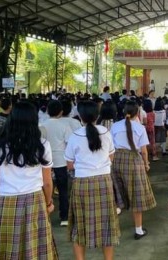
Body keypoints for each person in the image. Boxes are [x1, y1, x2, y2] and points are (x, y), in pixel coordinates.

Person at [0, 102, 57, 259]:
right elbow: (47, 182)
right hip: (35, 199)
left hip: (5, 199)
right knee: (35, 247)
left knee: (6, 248)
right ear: (34, 120)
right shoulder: (42, 145)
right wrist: (48, 203)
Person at [64, 101, 119, 259]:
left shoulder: (75, 136)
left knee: (79, 224)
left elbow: (69, 164)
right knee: (106, 223)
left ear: (80, 116)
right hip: (103, 181)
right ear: (98, 115)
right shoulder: (106, 132)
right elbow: (111, 156)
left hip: (82, 182)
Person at [111, 101, 156, 239]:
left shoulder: (115, 126)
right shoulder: (139, 128)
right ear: (137, 113)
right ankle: (138, 230)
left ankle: (113, 228)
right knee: (136, 196)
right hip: (134, 161)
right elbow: (143, 150)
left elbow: (110, 147)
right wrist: (146, 164)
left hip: (117, 159)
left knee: (117, 193)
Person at [42, 100, 72, 226]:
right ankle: (64, 217)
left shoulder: (42, 125)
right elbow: (69, 143)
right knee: (63, 190)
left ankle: (44, 216)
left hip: (44, 161)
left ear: (48, 111)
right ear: (61, 112)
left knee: (44, 189)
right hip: (61, 161)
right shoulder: (64, 126)